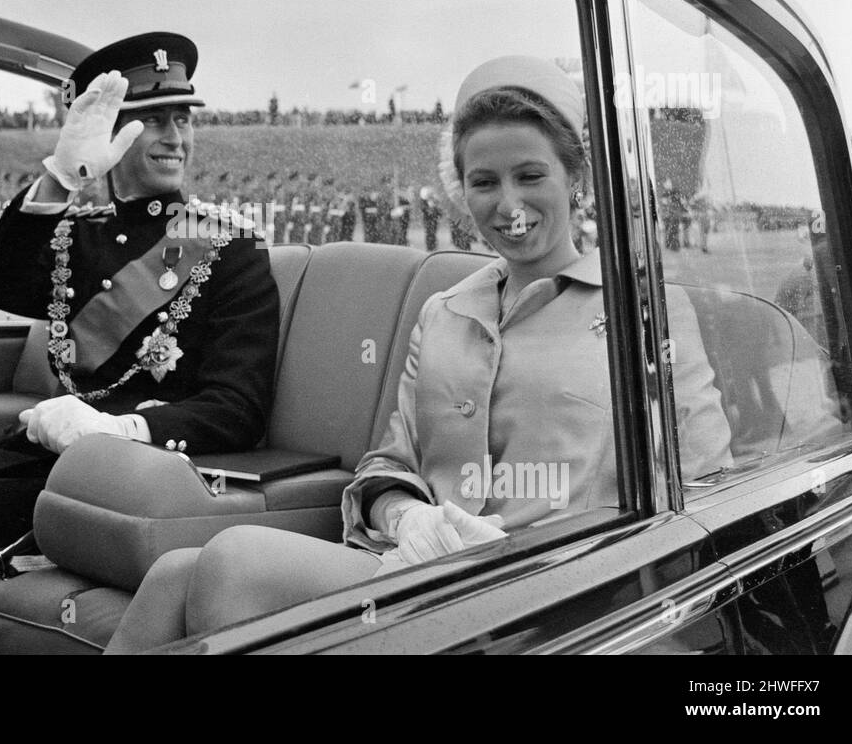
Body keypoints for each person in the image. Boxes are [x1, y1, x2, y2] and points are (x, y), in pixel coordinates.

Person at [104, 55, 733, 653]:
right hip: (428, 577)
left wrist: (554, 551)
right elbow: (389, 460)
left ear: (577, 179)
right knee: (174, 575)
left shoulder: (644, 310)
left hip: (559, 598)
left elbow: (706, 489)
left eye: (531, 175)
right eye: (483, 182)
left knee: (236, 560)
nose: (507, 204)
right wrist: (404, 513)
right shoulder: (444, 312)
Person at [0, 32, 281, 563]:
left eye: (183, 118)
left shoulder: (228, 247)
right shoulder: (76, 236)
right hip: (38, 461)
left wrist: (118, 428)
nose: (175, 137)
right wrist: (59, 179)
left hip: (122, 482)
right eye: (155, 121)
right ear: (108, 133)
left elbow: (237, 409)